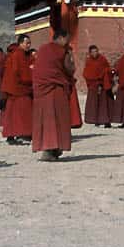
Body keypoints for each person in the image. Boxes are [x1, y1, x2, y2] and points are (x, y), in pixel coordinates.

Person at [32, 28, 76, 161]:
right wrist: (71, 58)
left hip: (41, 90)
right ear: (61, 38)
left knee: (46, 120)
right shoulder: (62, 51)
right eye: (67, 39)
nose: (68, 42)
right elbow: (70, 69)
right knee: (58, 119)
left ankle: (50, 150)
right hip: (56, 89)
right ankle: (53, 149)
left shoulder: (43, 49)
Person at [0, 34, 33, 144]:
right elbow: (22, 73)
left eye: (29, 43)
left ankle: (11, 135)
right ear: (20, 43)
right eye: (27, 43)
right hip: (19, 87)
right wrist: (32, 75)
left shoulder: (17, 54)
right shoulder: (19, 55)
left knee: (12, 113)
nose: (29, 45)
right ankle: (23, 134)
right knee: (23, 112)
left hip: (12, 88)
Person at [82, 45, 113, 126]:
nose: (95, 53)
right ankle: (96, 120)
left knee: (104, 103)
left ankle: (107, 121)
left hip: (103, 85)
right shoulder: (89, 61)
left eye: (96, 51)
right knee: (94, 104)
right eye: (93, 52)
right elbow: (86, 73)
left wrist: (103, 77)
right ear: (90, 53)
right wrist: (92, 82)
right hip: (93, 85)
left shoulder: (102, 59)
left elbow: (107, 69)